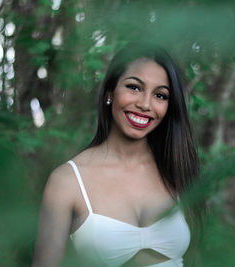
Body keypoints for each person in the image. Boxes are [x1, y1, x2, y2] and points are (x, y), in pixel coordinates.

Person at [32, 43, 202, 267]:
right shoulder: (67, 181)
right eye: (134, 87)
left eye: (160, 95)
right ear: (110, 93)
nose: (144, 104)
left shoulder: (177, 168)